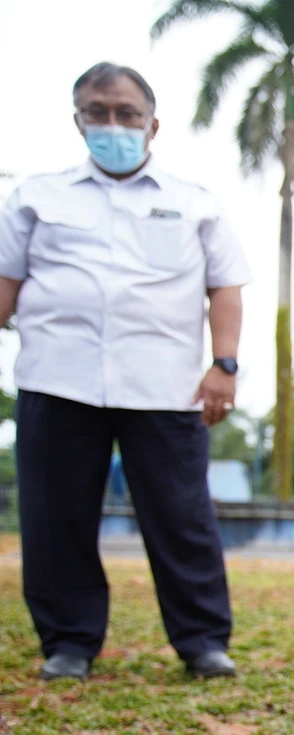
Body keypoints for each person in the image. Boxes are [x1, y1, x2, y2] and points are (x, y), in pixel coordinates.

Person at [0, 63, 249, 682]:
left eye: (127, 114)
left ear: (152, 124)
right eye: (98, 113)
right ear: (78, 121)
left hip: (164, 386)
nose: (113, 125)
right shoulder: (35, 196)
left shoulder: (194, 203)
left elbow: (225, 287)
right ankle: (68, 642)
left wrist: (224, 365)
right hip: (57, 379)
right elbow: (6, 282)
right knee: (56, 518)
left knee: (182, 518)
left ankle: (202, 641)